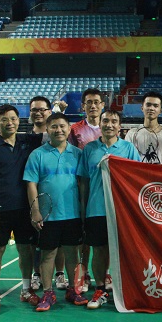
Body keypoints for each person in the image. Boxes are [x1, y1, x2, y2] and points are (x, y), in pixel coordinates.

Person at [0, 104, 42, 315]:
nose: (10, 123)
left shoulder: (26, 142)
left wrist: (56, 110)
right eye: (4, 119)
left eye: (13, 119)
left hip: (23, 209)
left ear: (18, 121)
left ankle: (26, 289)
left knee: (26, 250)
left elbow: (47, 128)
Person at [24, 113, 88, 311]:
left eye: (62, 126)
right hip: (48, 215)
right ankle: (48, 292)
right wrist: (35, 211)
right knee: (48, 255)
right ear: (47, 129)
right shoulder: (37, 154)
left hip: (72, 214)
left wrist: (83, 211)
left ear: (69, 129)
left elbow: (82, 184)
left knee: (72, 254)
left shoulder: (77, 154)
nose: (58, 130)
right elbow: (31, 184)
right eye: (54, 126)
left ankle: (73, 290)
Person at [78, 110, 141, 309]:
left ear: (119, 126)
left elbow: (137, 178)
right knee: (99, 250)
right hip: (96, 209)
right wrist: (83, 208)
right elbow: (84, 182)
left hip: (121, 210)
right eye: (106, 121)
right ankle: (100, 289)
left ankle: (125, 289)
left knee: (124, 251)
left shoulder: (128, 148)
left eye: (114, 121)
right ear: (100, 124)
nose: (109, 125)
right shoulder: (89, 149)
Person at [27, 95, 69, 292]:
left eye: (42, 109)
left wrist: (60, 111)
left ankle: (59, 274)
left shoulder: (57, 135)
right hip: (33, 197)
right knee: (35, 242)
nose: (38, 113)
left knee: (59, 243)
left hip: (59, 201)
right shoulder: (25, 139)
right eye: (34, 110)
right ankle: (36, 275)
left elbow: (60, 124)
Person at [67, 88, 105, 292]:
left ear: (102, 105)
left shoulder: (109, 126)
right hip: (81, 185)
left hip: (103, 189)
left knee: (102, 236)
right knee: (83, 233)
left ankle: (105, 272)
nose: (93, 105)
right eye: (89, 102)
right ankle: (84, 272)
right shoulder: (75, 130)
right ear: (83, 106)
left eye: (96, 102)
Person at [125, 91, 162, 165]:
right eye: (148, 105)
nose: (151, 108)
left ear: (161, 110)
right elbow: (128, 160)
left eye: (155, 106)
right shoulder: (132, 134)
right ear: (142, 108)